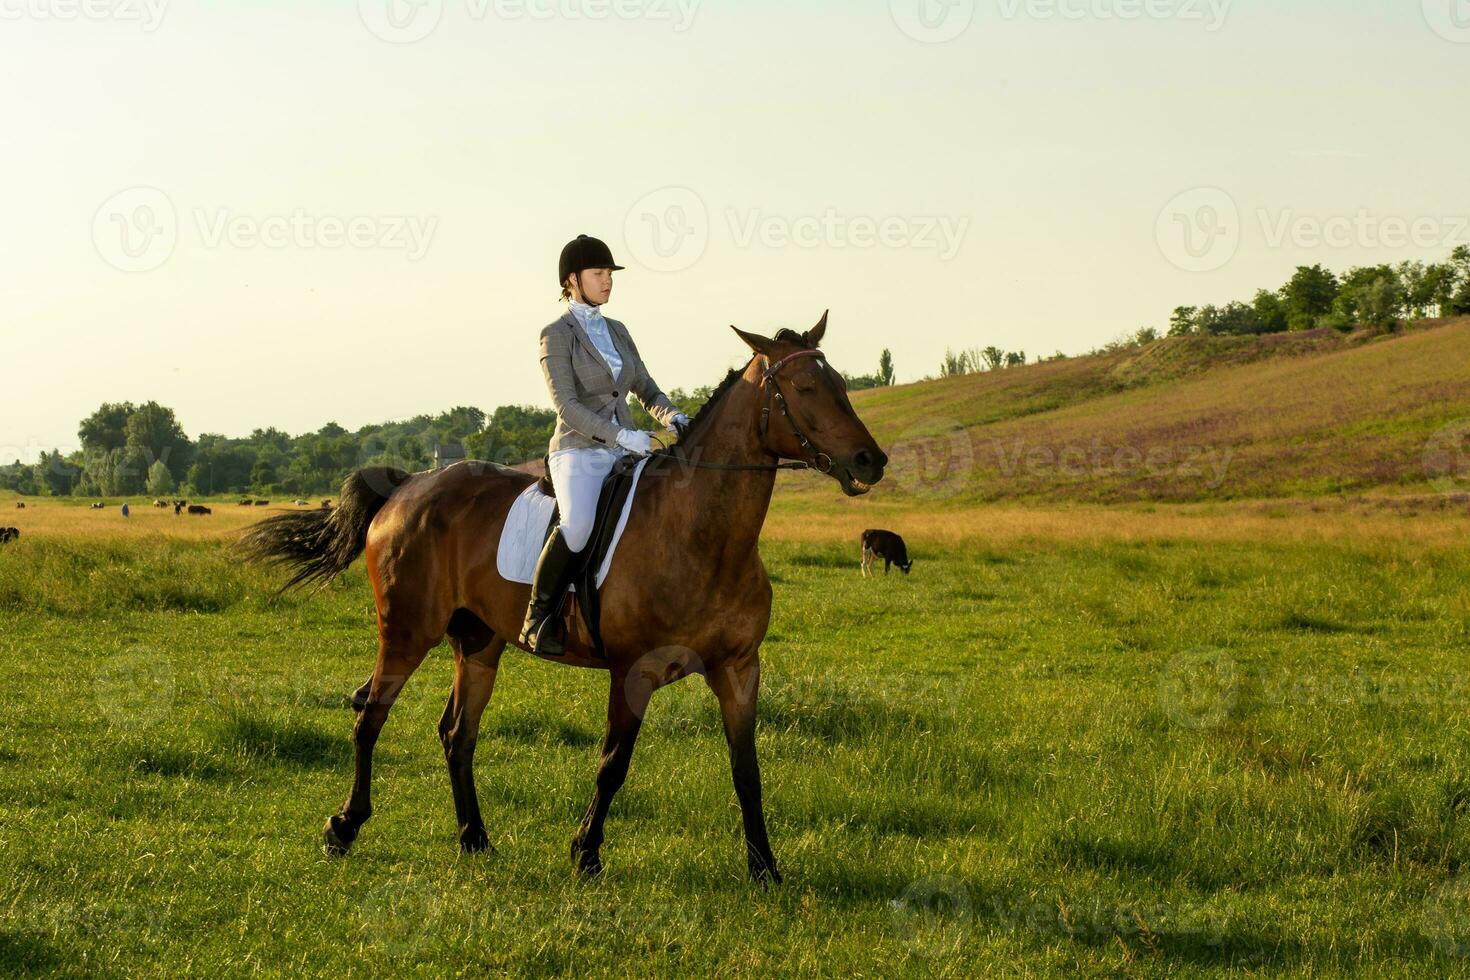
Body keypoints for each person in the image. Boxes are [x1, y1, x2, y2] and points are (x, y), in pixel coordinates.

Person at [517, 235, 690, 656]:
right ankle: (536, 618)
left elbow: (646, 389)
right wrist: (621, 436)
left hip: (626, 448)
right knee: (576, 525)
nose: (608, 281)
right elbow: (566, 405)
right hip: (576, 450)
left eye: (610, 274)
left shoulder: (618, 330)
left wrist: (674, 417)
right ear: (572, 280)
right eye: (599, 274)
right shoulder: (555, 335)